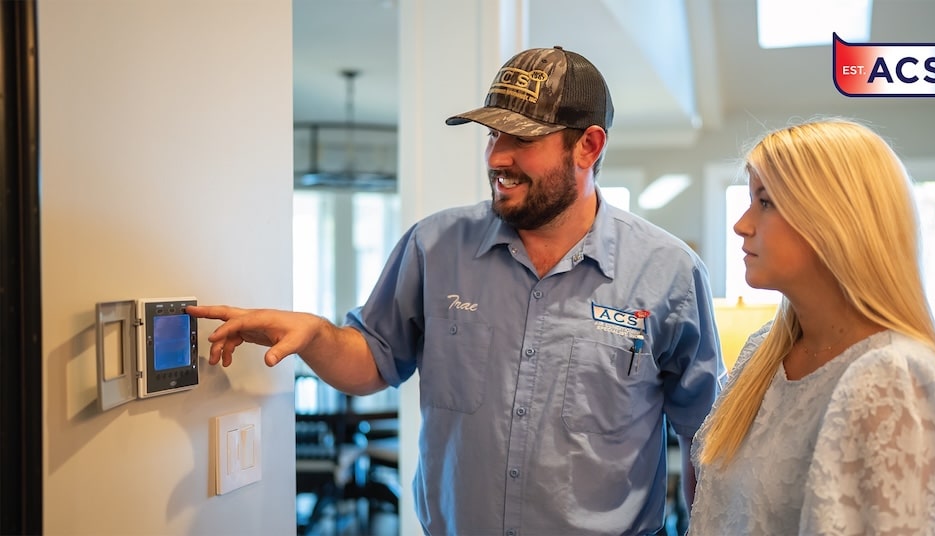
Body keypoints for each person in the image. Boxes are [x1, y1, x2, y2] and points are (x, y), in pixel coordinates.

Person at [189, 46, 724, 535]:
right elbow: (374, 360)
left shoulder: (668, 273)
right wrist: (315, 335)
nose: (496, 156)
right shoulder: (434, 246)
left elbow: (707, 442)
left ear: (588, 145)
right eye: (492, 134)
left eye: (521, 138)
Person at [687, 118, 935, 535]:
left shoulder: (893, 376)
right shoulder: (761, 356)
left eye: (765, 202)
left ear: (833, 219)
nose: (742, 224)